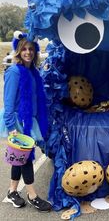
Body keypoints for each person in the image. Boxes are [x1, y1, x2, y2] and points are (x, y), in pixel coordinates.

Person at [0, 31, 52, 212]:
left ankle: (12, 191)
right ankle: (33, 195)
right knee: (26, 158)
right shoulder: (14, 71)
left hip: (30, 119)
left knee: (18, 158)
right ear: (18, 51)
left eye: (31, 49)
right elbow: (8, 103)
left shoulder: (34, 72)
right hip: (18, 122)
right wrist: (12, 128)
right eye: (24, 49)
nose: (28, 52)